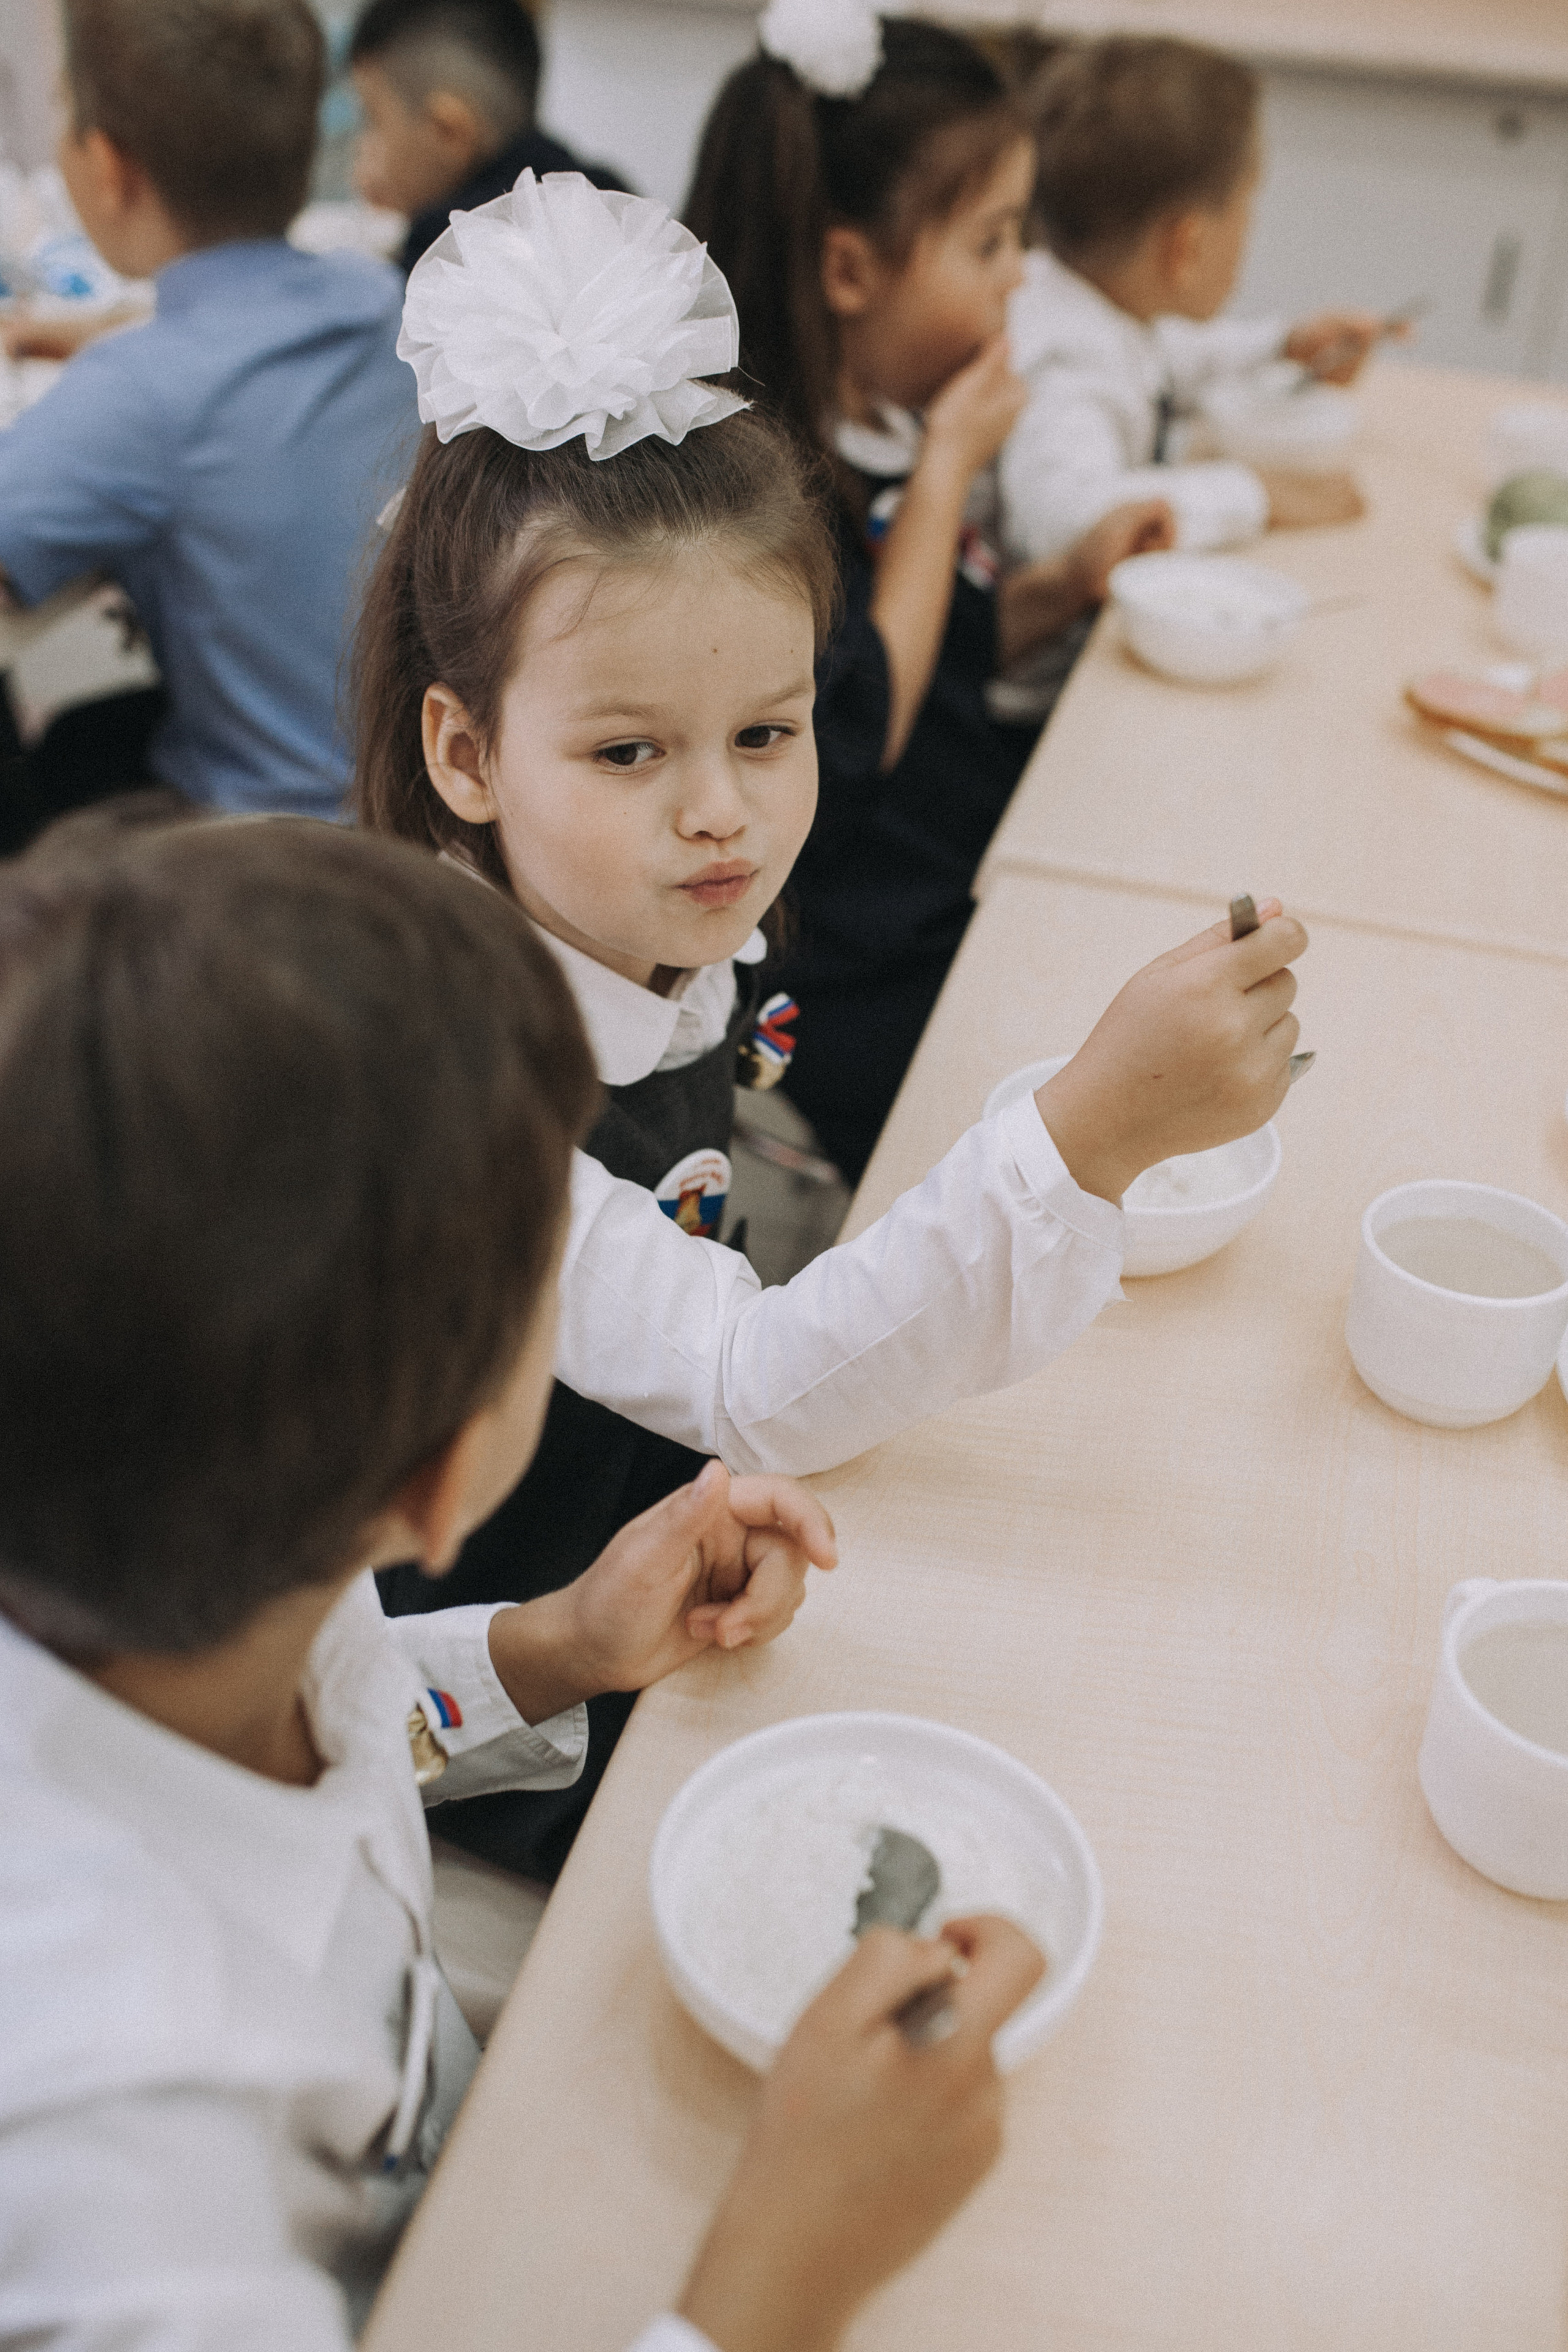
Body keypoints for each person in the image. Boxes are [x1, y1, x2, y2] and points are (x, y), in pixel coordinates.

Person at [356, 167, 1308, 1880]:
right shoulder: (450, 1089)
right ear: (466, 754)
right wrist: (1086, 1131)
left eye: (770, 734)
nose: (720, 815)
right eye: (631, 752)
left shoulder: (646, 925)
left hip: (664, 1573)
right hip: (495, 1725)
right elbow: (744, 1378)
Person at [0, 809, 1048, 2352]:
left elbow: (339, 1701)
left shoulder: (191, 1567)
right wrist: (776, 2273)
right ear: (439, 1479)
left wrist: (545, 1644)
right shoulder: (131, 2169)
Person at [682, 2, 1174, 1186]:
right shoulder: (749, 492)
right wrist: (954, 467)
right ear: (850, 268)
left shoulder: (884, 426)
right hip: (843, 985)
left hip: (955, 881)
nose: (1024, 282)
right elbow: (847, 739)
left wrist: (1060, 587)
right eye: (993, 243)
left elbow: (933, 639)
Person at [0, 0, 416, 850]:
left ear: (108, 169)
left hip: (264, 851)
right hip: (412, 811)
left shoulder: (142, 395)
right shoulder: (380, 298)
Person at [999, 36, 1387, 575]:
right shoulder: (1066, 368)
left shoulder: (1099, 304)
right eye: (1246, 213)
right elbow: (1068, 521)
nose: (1250, 235)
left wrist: (1285, 344)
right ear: (1187, 247)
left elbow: (1174, 355)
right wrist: (1261, 496)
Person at [348, 0, 628, 273]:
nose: (361, 149)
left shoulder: (444, 247)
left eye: (372, 120)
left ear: (449, 133)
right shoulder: (612, 197)